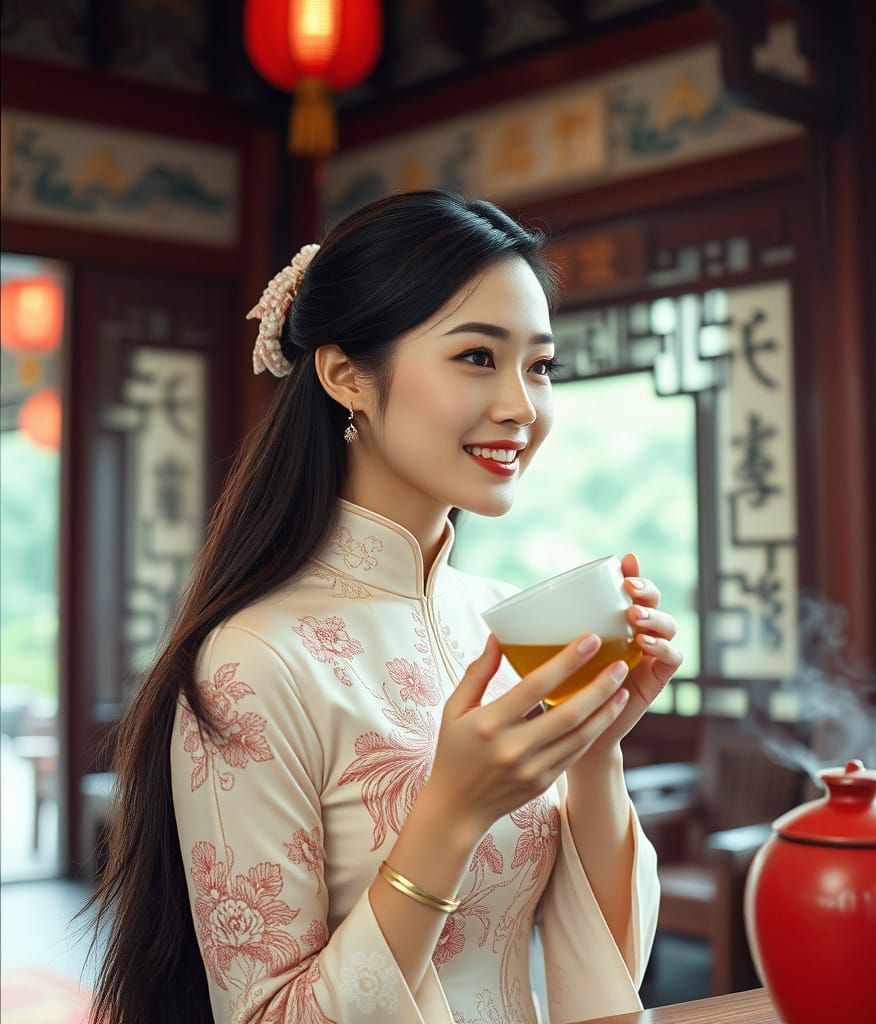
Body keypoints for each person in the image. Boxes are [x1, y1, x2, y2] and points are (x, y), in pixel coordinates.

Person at [83, 189, 682, 1024]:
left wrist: (594, 745)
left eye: (540, 366)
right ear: (346, 376)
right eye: (478, 356)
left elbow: (609, 969)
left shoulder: (500, 623)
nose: (521, 405)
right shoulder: (253, 662)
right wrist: (451, 815)